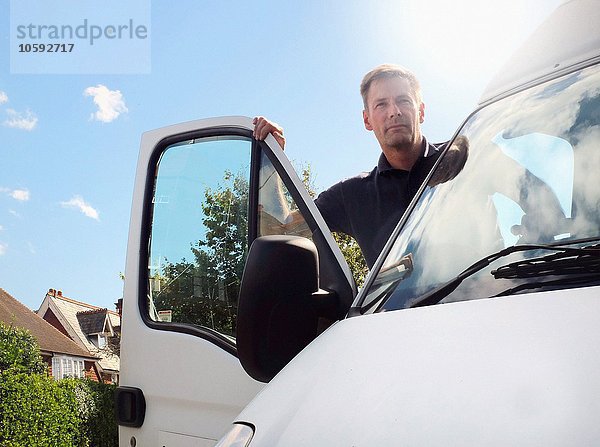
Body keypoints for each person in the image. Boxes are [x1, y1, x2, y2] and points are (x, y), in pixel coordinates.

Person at [253, 64, 445, 268]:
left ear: (421, 111)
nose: (394, 112)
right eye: (381, 104)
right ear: (367, 119)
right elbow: (281, 229)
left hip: (477, 297)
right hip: (404, 302)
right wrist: (270, 160)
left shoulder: (462, 159)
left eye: (403, 100)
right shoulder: (352, 194)